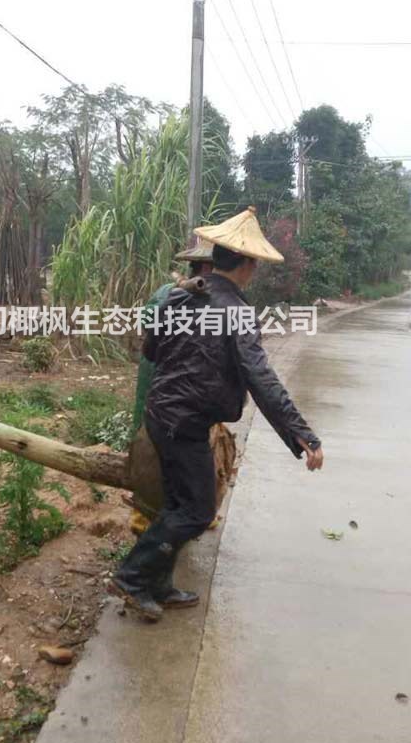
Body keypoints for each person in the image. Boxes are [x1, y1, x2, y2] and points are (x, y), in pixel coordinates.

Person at [110, 207, 324, 621]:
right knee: (197, 510)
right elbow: (260, 378)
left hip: (162, 416)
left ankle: (158, 585)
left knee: (176, 504)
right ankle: (132, 577)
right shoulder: (236, 311)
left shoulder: (181, 296)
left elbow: (151, 351)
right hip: (184, 425)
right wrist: (302, 434)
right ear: (249, 263)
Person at [128, 241, 214, 536]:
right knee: (149, 447)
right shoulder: (169, 294)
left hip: (193, 394)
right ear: (204, 269)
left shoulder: (219, 299)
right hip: (160, 382)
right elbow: (147, 324)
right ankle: (144, 512)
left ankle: (194, 508)